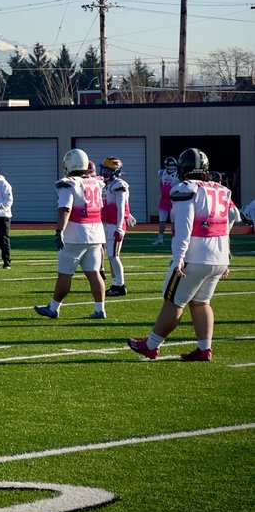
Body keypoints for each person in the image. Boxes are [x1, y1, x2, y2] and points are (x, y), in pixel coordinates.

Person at [128, 148, 231, 362]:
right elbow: (231, 218)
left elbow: (184, 226)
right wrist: (227, 255)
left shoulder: (185, 188)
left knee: (174, 301)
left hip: (196, 256)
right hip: (218, 256)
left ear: (183, 168)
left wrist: (178, 257)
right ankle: (204, 349)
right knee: (201, 302)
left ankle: (151, 345)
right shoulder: (220, 189)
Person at [34, 148, 107, 320]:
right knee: (93, 273)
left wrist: (59, 230)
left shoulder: (68, 183)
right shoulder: (96, 182)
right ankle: (100, 309)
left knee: (65, 274)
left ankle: (54, 308)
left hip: (76, 233)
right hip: (96, 232)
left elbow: (65, 209)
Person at [101, 157, 134, 297]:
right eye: (105, 169)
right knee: (111, 255)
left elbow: (121, 206)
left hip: (115, 224)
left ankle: (120, 286)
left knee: (114, 256)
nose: (105, 172)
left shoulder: (119, 185)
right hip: (108, 223)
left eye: (108, 169)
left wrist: (120, 226)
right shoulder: (109, 184)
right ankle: (115, 284)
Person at [153, 156, 179, 246]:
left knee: (174, 222)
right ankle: (160, 239)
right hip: (164, 200)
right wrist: (162, 192)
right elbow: (161, 182)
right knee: (162, 220)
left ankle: (174, 239)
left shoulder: (178, 174)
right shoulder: (162, 172)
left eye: (172, 165)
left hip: (173, 201)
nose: (171, 167)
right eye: (169, 165)